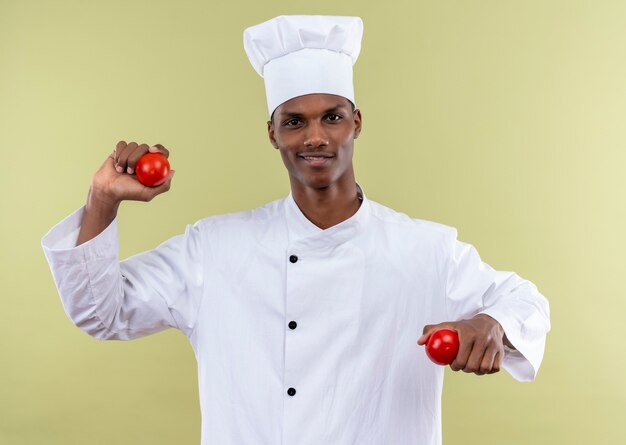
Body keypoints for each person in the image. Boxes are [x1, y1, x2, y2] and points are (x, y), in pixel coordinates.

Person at [42, 14, 551, 445]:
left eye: (331, 117)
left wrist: (492, 323)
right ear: (272, 133)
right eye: (294, 121)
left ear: (356, 122)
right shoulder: (214, 249)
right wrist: (103, 199)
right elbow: (100, 312)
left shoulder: (426, 249)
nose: (315, 137)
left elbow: (525, 301)